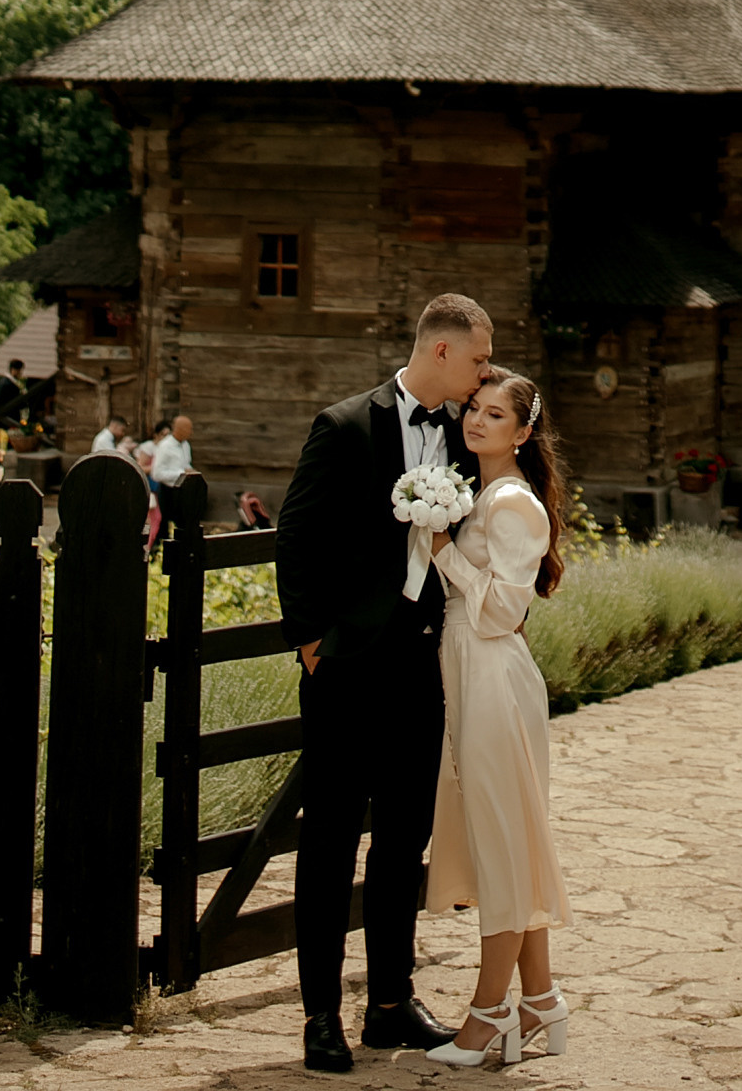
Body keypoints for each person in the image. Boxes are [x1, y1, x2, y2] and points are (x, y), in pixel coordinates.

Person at [276, 291, 497, 1074]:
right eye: (477, 359)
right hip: (345, 666)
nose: (482, 375)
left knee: (405, 838)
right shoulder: (343, 426)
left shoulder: (464, 438)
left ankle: (390, 1006)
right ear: (440, 351)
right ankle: (319, 1016)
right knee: (330, 841)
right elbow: (296, 535)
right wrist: (310, 641)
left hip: (423, 662)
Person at [422, 371, 572, 1067]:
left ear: (523, 432)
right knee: (506, 838)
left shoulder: (513, 504)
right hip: (469, 671)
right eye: (473, 410)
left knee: (502, 844)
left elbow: (504, 610)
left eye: (494, 414)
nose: (476, 422)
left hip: (494, 677)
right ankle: (539, 998)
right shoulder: (479, 492)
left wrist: (443, 553)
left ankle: (488, 1015)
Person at [150, 412, 195, 537]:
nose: (191, 433)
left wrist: (192, 472)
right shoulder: (165, 446)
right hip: (168, 492)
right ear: (179, 429)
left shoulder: (186, 445)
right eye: (188, 429)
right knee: (166, 528)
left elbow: (186, 464)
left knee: (183, 527)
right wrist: (181, 474)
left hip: (183, 493)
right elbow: (156, 473)